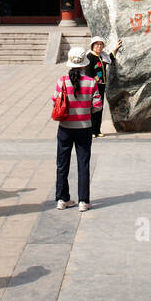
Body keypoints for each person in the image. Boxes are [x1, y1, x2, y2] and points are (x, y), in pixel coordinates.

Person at [52, 46, 101, 212]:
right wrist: (85, 111)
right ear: (83, 65)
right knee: (83, 164)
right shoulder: (91, 82)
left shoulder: (62, 81)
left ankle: (62, 198)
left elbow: (55, 101)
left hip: (65, 128)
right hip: (84, 127)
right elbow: (97, 106)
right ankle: (83, 201)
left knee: (62, 163)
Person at [85, 36, 122, 138]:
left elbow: (110, 59)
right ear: (92, 46)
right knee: (93, 108)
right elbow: (88, 75)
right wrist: (91, 86)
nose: (99, 47)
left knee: (99, 108)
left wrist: (116, 48)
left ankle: (97, 130)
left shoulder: (102, 56)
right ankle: (92, 130)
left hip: (101, 86)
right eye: (97, 45)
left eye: (101, 45)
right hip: (93, 87)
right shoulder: (89, 57)